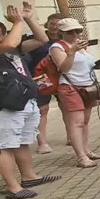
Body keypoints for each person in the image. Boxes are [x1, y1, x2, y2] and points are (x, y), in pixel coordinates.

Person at [0, 3, 57, 199]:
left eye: (1, 33)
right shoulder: (5, 47)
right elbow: (8, 44)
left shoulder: (13, 49)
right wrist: (18, 22)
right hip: (5, 106)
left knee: (23, 142)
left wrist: (29, 18)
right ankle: (13, 187)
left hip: (25, 102)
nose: (0, 37)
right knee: (5, 146)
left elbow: (42, 40)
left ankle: (29, 176)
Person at [49, 17, 100, 168]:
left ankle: (86, 150)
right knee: (76, 122)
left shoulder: (81, 46)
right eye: (71, 32)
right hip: (69, 86)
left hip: (87, 86)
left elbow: (85, 66)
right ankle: (81, 157)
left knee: (85, 121)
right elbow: (63, 69)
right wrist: (71, 52)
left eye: (78, 31)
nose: (75, 34)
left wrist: (99, 65)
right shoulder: (58, 47)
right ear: (62, 33)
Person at [27, 12, 64, 155]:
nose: (54, 27)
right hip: (41, 77)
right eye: (52, 23)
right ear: (47, 24)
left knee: (66, 106)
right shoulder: (38, 38)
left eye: (58, 24)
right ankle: (42, 142)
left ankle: (71, 136)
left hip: (61, 76)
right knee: (43, 109)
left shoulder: (65, 39)